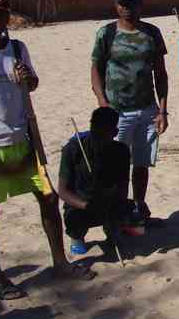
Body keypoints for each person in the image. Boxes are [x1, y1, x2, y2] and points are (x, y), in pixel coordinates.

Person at [0, 0, 93, 299]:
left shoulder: (17, 48)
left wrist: (28, 78)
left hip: (23, 142)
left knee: (49, 199)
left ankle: (59, 262)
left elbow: (32, 85)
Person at [91, 0, 168, 222]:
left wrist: (163, 110)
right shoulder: (107, 34)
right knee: (117, 164)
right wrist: (103, 102)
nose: (126, 8)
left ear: (140, 5)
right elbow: (96, 70)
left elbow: (161, 73)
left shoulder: (152, 33)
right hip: (117, 111)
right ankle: (117, 210)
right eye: (122, 4)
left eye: (131, 3)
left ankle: (139, 206)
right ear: (115, 6)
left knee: (142, 164)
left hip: (147, 109)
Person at [58, 107, 140, 255]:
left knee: (131, 210)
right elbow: (63, 191)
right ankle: (77, 237)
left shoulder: (121, 151)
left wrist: (113, 204)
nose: (99, 139)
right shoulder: (73, 149)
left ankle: (112, 231)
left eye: (104, 135)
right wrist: (86, 205)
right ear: (91, 128)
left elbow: (123, 185)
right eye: (96, 133)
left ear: (114, 133)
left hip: (107, 200)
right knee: (73, 217)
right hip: (81, 204)